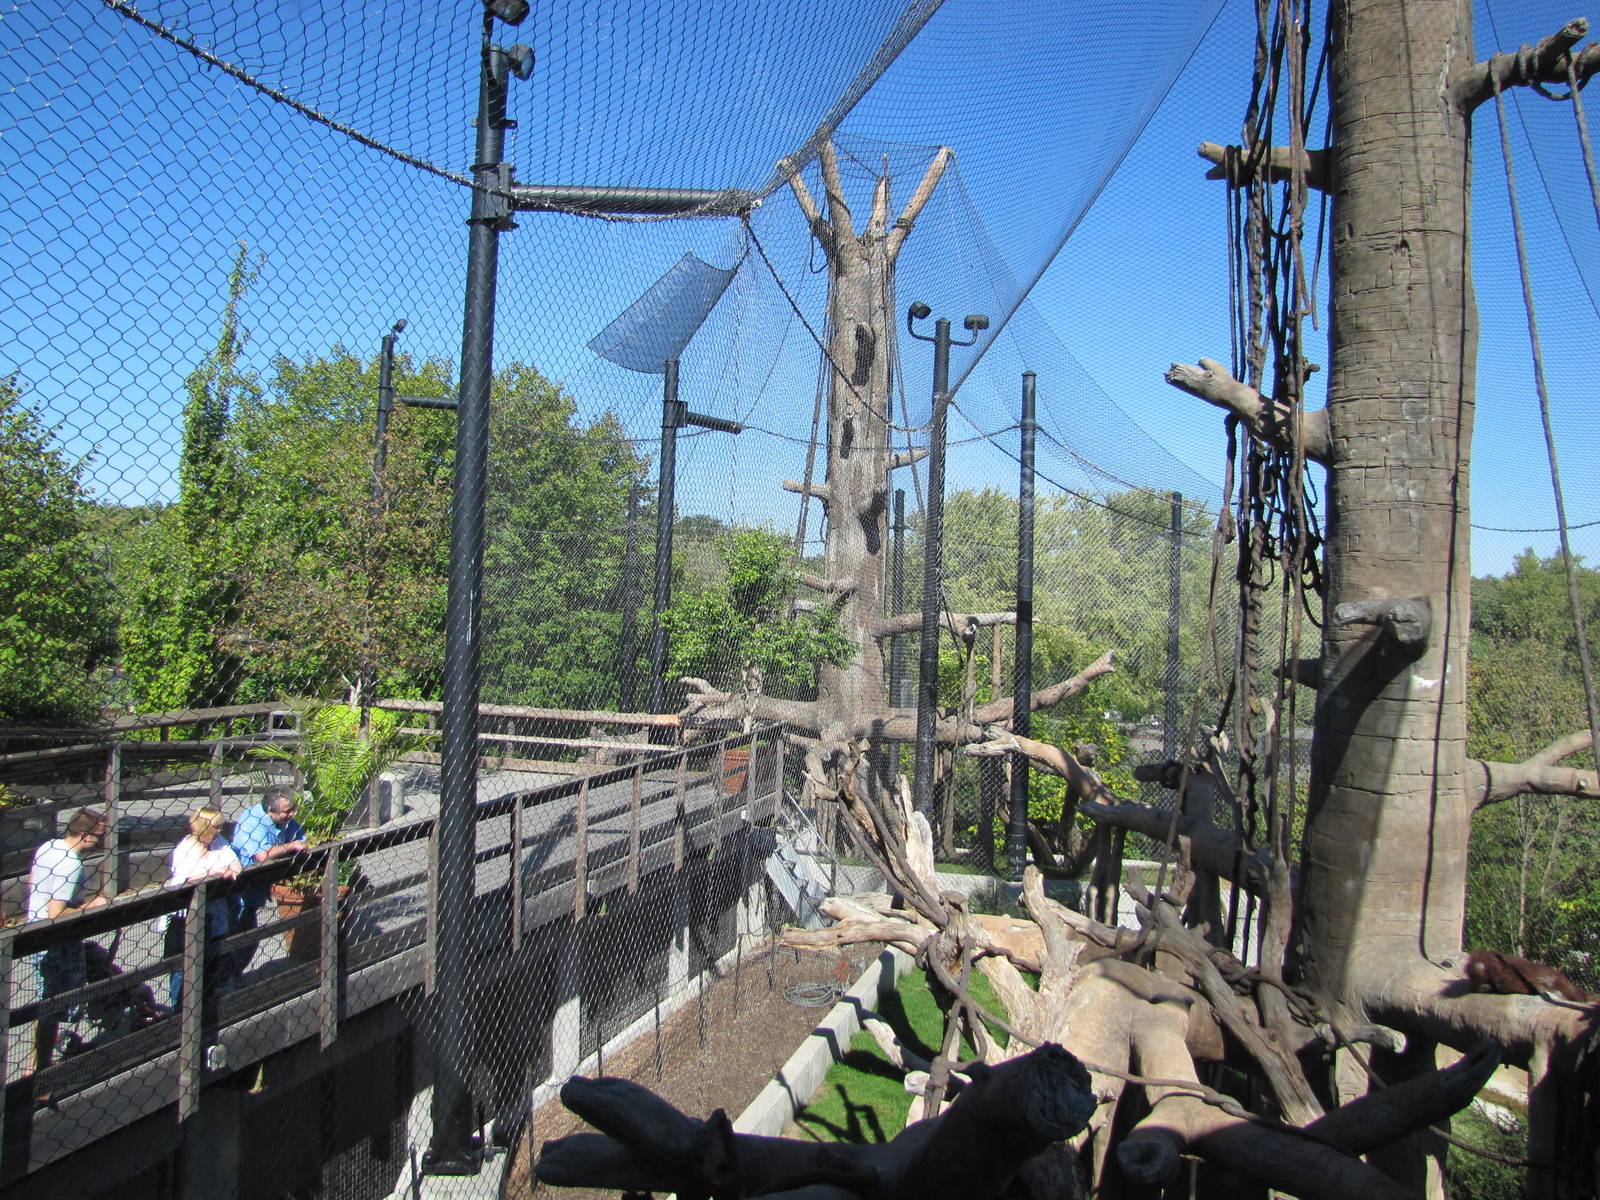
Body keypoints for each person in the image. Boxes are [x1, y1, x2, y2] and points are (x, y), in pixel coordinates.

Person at [27, 807, 111, 1070]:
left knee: (47, 999)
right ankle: (39, 1066)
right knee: (54, 1003)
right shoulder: (70, 863)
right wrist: (92, 906)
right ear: (85, 835)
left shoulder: (49, 846)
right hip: (56, 939)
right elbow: (56, 913)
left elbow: (33, 884)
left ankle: (39, 1062)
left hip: (34, 929)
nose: (100, 842)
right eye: (99, 836)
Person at [163, 804, 242, 1005]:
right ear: (204, 828)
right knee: (184, 969)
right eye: (215, 827)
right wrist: (215, 873)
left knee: (213, 962)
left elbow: (234, 862)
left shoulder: (219, 843)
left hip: (215, 913)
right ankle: (178, 1011)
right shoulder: (185, 850)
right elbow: (186, 880)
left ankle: (207, 1008)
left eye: (220, 827)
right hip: (187, 917)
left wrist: (232, 867)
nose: (219, 831)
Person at [227, 783, 308, 978]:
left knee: (249, 938)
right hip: (236, 890)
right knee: (233, 938)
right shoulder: (253, 822)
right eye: (287, 812)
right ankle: (225, 980)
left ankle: (234, 976)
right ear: (269, 811)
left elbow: (302, 838)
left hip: (256, 889)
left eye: (293, 810)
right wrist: (292, 846)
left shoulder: (283, 819)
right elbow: (262, 855)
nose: (291, 815)